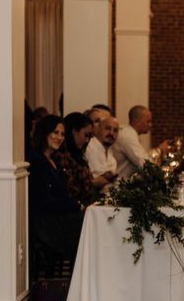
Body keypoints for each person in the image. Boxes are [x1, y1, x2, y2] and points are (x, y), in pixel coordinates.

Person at [28, 115, 83, 263]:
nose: (59, 137)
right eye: (55, 132)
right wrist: (74, 206)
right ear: (45, 133)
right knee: (84, 222)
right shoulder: (36, 160)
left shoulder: (53, 160)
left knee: (86, 219)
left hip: (56, 216)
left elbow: (62, 195)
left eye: (62, 134)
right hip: (45, 223)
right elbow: (43, 201)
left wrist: (74, 205)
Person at [113, 105, 170, 179]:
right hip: (118, 183)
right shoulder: (128, 137)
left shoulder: (130, 134)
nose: (151, 125)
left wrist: (159, 150)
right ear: (137, 122)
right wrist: (160, 150)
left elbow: (143, 156)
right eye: (148, 121)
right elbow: (145, 164)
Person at [55, 112, 99, 206]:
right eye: (86, 135)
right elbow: (70, 190)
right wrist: (94, 183)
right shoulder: (60, 156)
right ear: (74, 131)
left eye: (90, 137)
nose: (87, 140)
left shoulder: (77, 154)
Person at [85, 115, 120, 186]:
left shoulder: (112, 158)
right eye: (108, 128)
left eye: (115, 130)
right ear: (98, 129)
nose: (111, 133)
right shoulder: (88, 147)